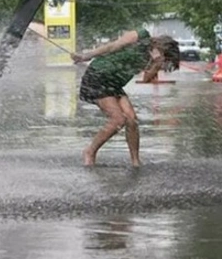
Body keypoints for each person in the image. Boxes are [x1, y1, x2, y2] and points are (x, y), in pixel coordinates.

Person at [71, 28, 180, 167]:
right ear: (161, 46)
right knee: (118, 119)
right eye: (166, 60)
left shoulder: (155, 59)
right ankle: (90, 152)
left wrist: (157, 64)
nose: (165, 64)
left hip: (115, 84)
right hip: (98, 76)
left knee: (132, 120)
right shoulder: (141, 36)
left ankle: (135, 161)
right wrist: (86, 56)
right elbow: (113, 46)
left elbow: (146, 78)